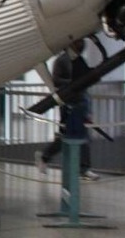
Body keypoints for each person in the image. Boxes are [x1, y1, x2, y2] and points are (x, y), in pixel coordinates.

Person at [36, 40, 99, 181]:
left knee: (78, 136)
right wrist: (74, 84)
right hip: (69, 104)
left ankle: (82, 168)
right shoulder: (61, 61)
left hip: (80, 103)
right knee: (71, 136)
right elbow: (57, 81)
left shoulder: (78, 60)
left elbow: (84, 82)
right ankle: (48, 157)